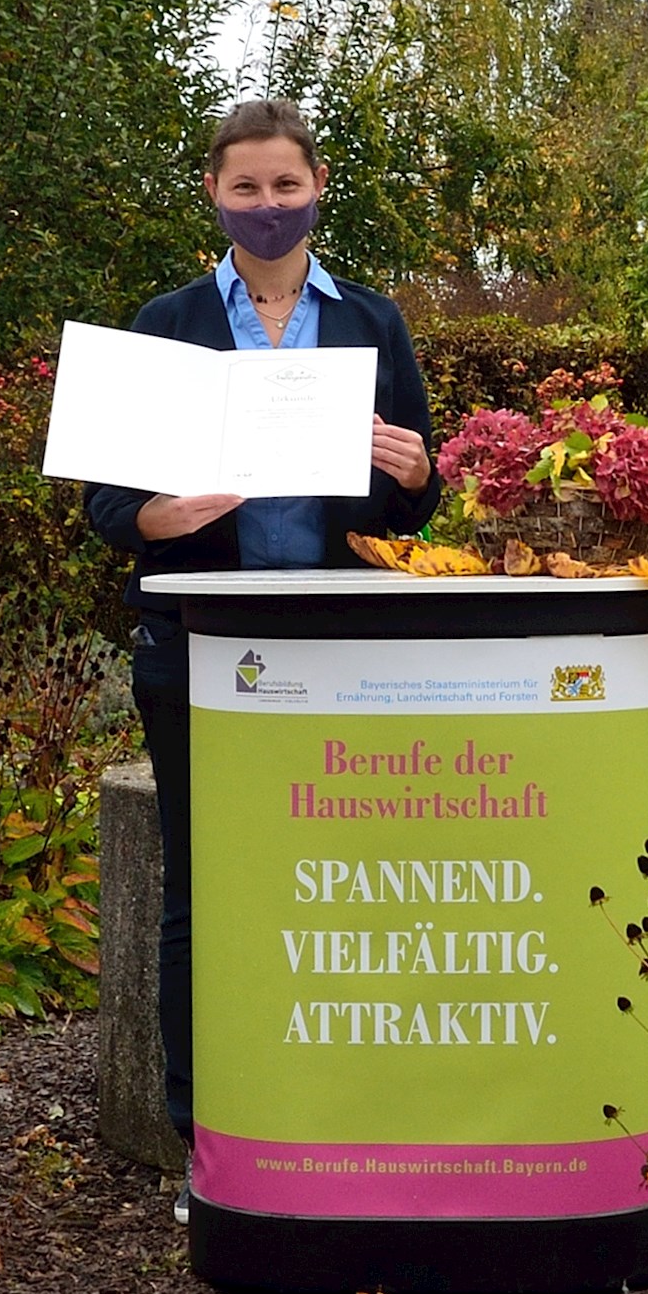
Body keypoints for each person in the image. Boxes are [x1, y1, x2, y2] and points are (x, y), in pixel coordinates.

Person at [80, 98, 439, 1155]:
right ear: (213, 193)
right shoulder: (165, 323)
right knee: (205, 890)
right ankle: (208, 1132)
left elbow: (413, 502)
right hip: (197, 643)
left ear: (317, 187)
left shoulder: (371, 321)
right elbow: (105, 507)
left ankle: (342, 1115)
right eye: (247, 187)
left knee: (347, 885)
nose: (268, 205)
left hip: (344, 649)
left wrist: (421, 470)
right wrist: (159, 514)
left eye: (286, 186)